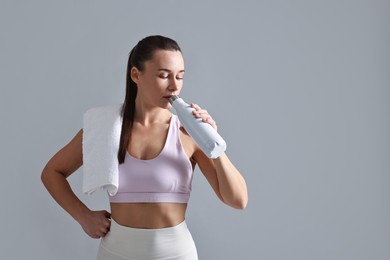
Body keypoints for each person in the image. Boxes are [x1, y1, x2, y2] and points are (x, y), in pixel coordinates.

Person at [41, 35, 248, 260]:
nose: (174, 85)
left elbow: (238, 200)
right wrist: (83, 216)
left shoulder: (188, 133)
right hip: (115, 252)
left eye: (180, 76)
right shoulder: (106, 127)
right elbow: (52, 172)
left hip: (176, 253)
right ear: (135, 75)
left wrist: (213, 141)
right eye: (163, 75)